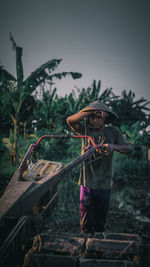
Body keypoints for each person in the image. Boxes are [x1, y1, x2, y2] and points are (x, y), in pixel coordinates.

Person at [66, 100, 132, 234]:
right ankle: (85, 248)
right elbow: (70, 121)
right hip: (87, 184)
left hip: (104, 185)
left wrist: (113, 146)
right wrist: (90, 110)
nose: (94, 120)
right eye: (92, 117)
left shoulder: (113, 131)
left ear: (105, 117)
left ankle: (97, 247)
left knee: (100, 224)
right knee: (85, 223)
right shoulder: (86, 130)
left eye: (98, 116)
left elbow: (129, 148)